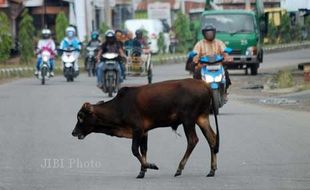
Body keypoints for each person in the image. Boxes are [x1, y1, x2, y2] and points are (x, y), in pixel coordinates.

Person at [191, 24, 231, 94]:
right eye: (207, 33)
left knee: (226, 73)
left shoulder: (219, 42)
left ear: (214, 33)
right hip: (204, 66)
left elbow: (224, 50)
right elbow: (196, 53)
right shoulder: (199, 44)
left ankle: (224, 92)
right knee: (196, 74)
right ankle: (197, 93)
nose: (209, 35)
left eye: (211, 33)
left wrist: (227, 57)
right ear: (204, 34)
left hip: (218, 65)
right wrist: (195, 59)